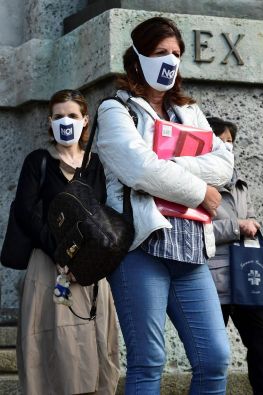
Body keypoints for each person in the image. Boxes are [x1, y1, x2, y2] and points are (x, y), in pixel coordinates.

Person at [95, 17, 234, 394]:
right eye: (160, 53)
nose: (170, 61)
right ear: (137, 58)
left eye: (176, 54)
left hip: (191, 251)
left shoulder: (190, 112)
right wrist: (199, 192)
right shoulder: (115, 110)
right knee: (148, 361)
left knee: (215, 359)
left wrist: (171, 165)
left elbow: (223, 165)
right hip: (143, 249)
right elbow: (139, 170)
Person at [15, 89, 119, 394]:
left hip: (88, 269)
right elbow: (25, 211)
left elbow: (103, 215)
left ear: (85, 120)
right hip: (49, 267)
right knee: (52, 348)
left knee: (92, 345)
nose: (66, 122)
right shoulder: (39, 162)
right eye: (59, 116)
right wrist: (59, 252)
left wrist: (85, 258)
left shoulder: (96, 165)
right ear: (50, 121)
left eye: (72, 116)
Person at [207, 117, 263, 395]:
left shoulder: (240, 183)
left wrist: (253, 223)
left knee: (261, 339)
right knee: (213, 350)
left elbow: (249, 216)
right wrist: (236, 227)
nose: (226, 148)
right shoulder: (196, 184)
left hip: (247, 274)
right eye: (219, 142)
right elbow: (195, 231)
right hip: (213, 277)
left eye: (229, 143)